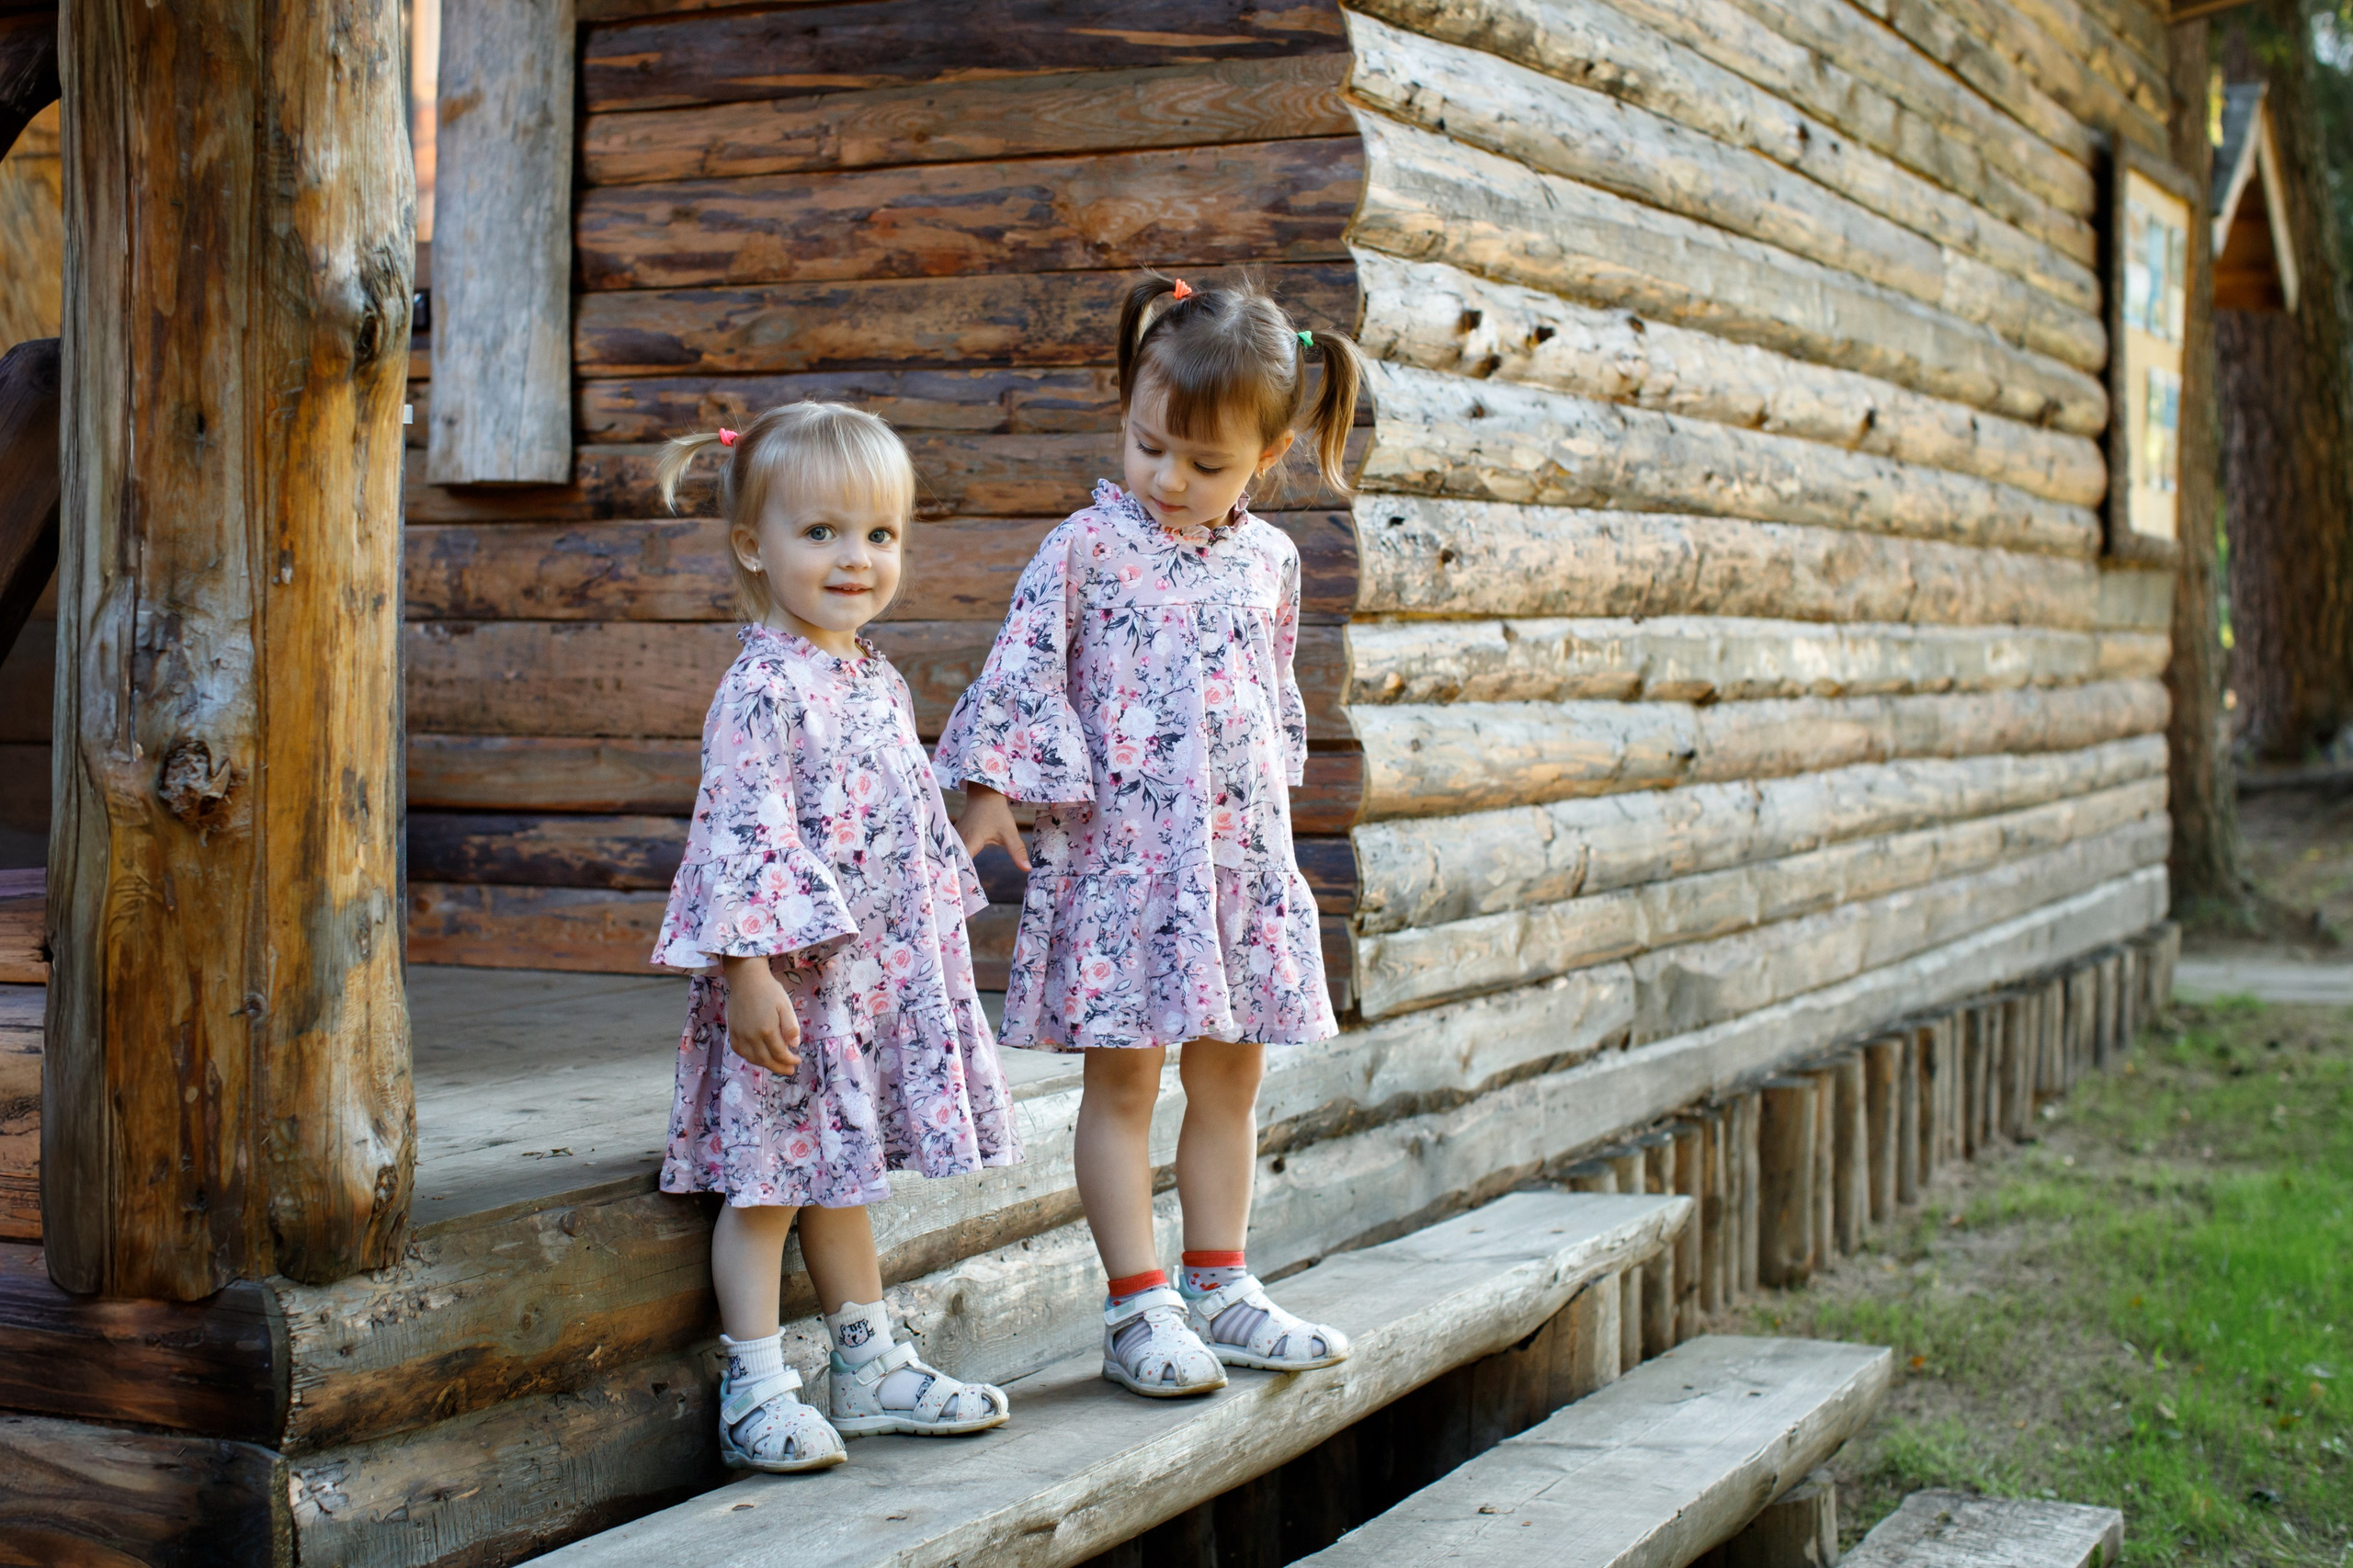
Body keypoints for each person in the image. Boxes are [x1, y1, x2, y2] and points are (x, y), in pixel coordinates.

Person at [939, 275, 1362, 1397]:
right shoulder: (1082, 549)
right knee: (1122, 1089)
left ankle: (1220, 1284)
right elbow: (1021, 668)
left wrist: (1264, 835)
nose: (1169, 479)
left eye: (1205, 463)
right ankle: (1138, 1306)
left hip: (1232, 872)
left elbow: (1273, 702)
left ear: (1265, 459)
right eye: (1148, 446)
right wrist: (987, 791)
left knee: (1230, 1082)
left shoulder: (1271, 563)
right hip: (1124, 869)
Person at [652, 403, 1020, 1471]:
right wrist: (748, 971)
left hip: (858, 986)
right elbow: (736, 833)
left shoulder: (871, 674)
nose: (854, 558)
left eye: (878, 534)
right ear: (752, 550)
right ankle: (756, 1385)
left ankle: (865, 1363)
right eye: (819, 533)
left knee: (843, 1176)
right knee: (767, 1184)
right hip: (785, 992)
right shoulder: (760, 688)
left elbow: (891, 818)